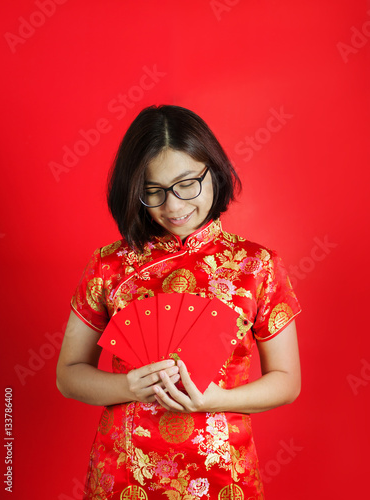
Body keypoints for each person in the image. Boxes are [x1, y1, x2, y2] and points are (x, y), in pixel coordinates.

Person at [56, 104, 301, 500]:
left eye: (187, 183)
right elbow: (68, 375)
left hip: (222, 474)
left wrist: (216, 400)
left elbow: (287, 382)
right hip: (123, 474)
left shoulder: (257, 265)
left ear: (214, 171)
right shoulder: (109, 265)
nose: (173, 205)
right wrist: (129, 388)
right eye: (153, 191)